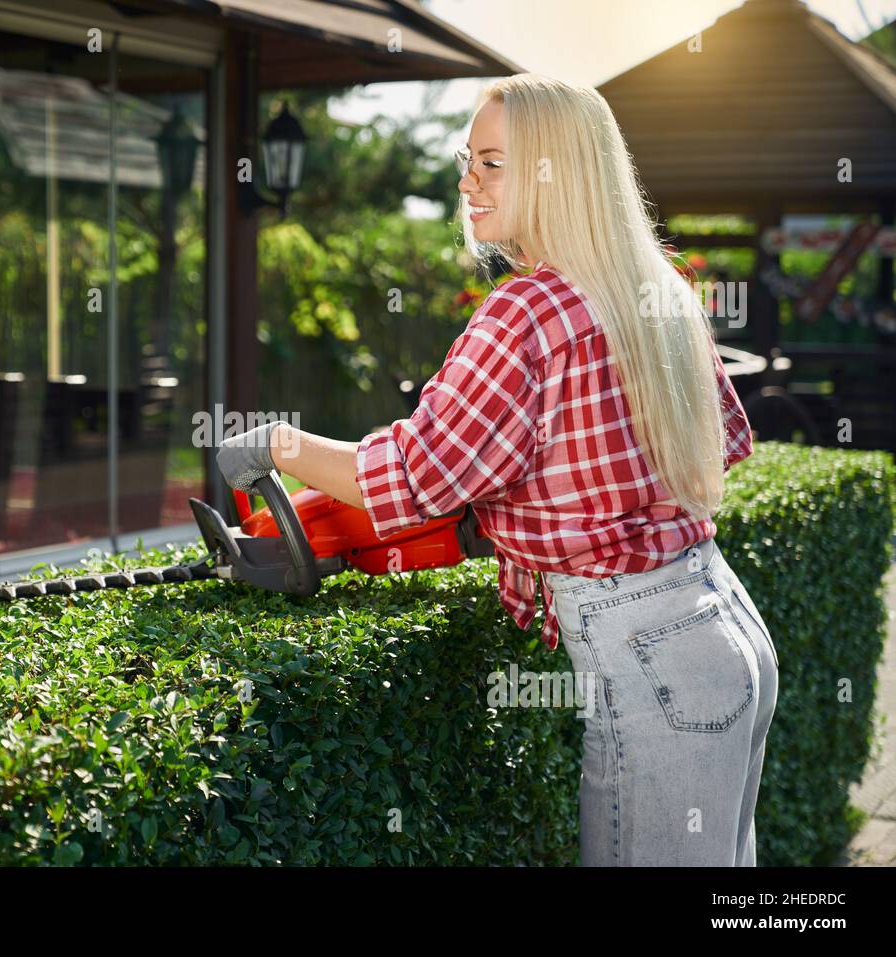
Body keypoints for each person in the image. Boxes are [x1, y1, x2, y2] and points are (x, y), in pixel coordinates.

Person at [215, 74, 779, 867]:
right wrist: (530, 506)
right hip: (725, 623)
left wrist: (278, 445)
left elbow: (414, 474)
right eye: (464, 160)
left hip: (651, 660)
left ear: (557, 172)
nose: (465, 182)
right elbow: (712, 445)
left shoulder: (525, 312)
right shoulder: (655, 288)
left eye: (491, 163)